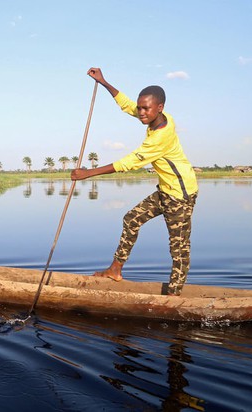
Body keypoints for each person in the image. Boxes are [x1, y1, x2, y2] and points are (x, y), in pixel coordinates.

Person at [71, 68, 198, 296]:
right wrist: (103, 82)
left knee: (178, 247)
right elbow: (126, 104)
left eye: (145, 108)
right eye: (140, 108)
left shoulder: (161, 136)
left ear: (160, 108)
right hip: (165, 192)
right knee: (131, 219)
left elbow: (129, 162)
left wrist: (87, 174)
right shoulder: (154, 118)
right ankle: (115, 269)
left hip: (181, 195)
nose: (140, 112)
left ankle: (174, 295)